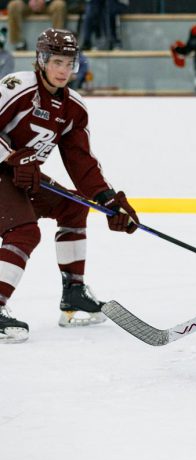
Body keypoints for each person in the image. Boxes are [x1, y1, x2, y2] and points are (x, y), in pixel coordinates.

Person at [0, 28, 139, 343]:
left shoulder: (73, 108)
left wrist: (109, 202)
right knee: (24, 231)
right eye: (57, 62)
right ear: (42, 60)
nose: (64, 70)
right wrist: (12, 158)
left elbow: (82, 163)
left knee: (74, 205)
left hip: (20, 177)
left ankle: (73, 293)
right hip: (4, 173)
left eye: (70, 63)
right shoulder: (17, 87)